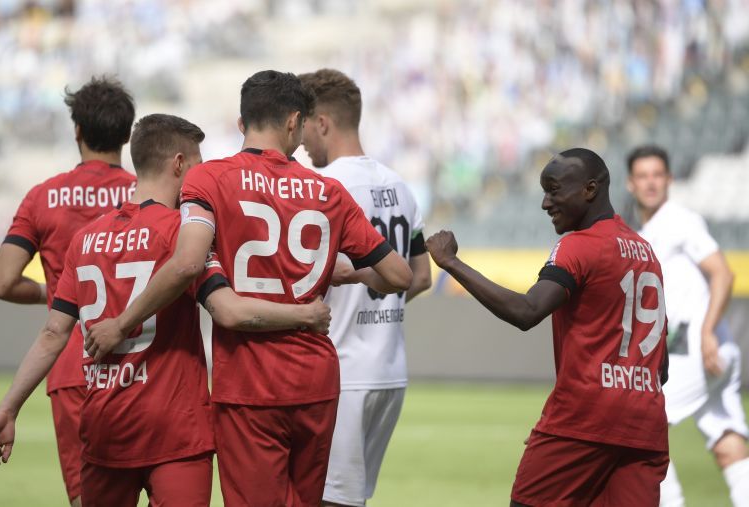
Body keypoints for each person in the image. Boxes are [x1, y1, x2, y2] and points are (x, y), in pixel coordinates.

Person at [84, 70, 413, 507]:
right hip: (317, 377)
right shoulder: (328, 191)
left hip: (250, 380)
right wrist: (337, 271)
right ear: (295, 122)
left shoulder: (210, 180)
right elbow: (399, 276)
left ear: (242, 123)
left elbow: (187, 264)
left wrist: (122, 323)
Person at [0, 113, 333, 506]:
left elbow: (52, 334)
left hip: (105, 426)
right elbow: (227, 308)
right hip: (175, 431)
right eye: (197, 163)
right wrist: (307, 311)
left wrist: (8, 409)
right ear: (180, 164)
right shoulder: (184, 239)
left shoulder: (85, 240)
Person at [426, 148, 670, 506]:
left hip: (585, 419)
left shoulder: (578, 246)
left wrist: (450, 262)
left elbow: (527, 311)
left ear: (589, 189)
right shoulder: (646, 252)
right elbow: (660, 366)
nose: (545, 203)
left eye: (554, 190)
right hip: (645, 426)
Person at [0, 76, 137, 506]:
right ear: (127, 134)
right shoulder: (146, 195)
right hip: (142, 360)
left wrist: (50, 296)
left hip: (73, 365)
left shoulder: (43, 197)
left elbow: (3, 281)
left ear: (77, 130)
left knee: (88, 499)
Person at [298, 68, 432, 507]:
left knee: (327, 499)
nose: (301, 141)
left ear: (322, 123)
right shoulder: (401, 186)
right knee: (351, 498)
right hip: (390, 369)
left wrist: (352, 297)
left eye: (304, 127)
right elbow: (422, 275)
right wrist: (375, 298)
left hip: (342, 369)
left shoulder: (324, 187)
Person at [626, 145, 749, 507]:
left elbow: (723, 274)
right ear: (632, 183)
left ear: (670, 180)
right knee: (728, 443)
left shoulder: (680, 220)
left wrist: (707, 331)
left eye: (657, 175)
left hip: (698, 349)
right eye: (643, 176)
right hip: (709, 352)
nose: (651, 183)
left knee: (641, 428)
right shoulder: (642, 231)